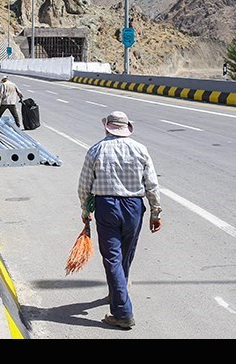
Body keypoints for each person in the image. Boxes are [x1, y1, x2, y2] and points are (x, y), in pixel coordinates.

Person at [77, 111, 162, 330]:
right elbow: (151, 183)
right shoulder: (140, 149)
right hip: (134, 207)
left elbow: (84, 185)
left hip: (107, 207)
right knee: (126, 253)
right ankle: (119, 291)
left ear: (107, 127)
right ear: (126, 128)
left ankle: (123, 312)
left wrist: (85, 210)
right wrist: (155, 211)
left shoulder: (96, 150)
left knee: (112, 257)